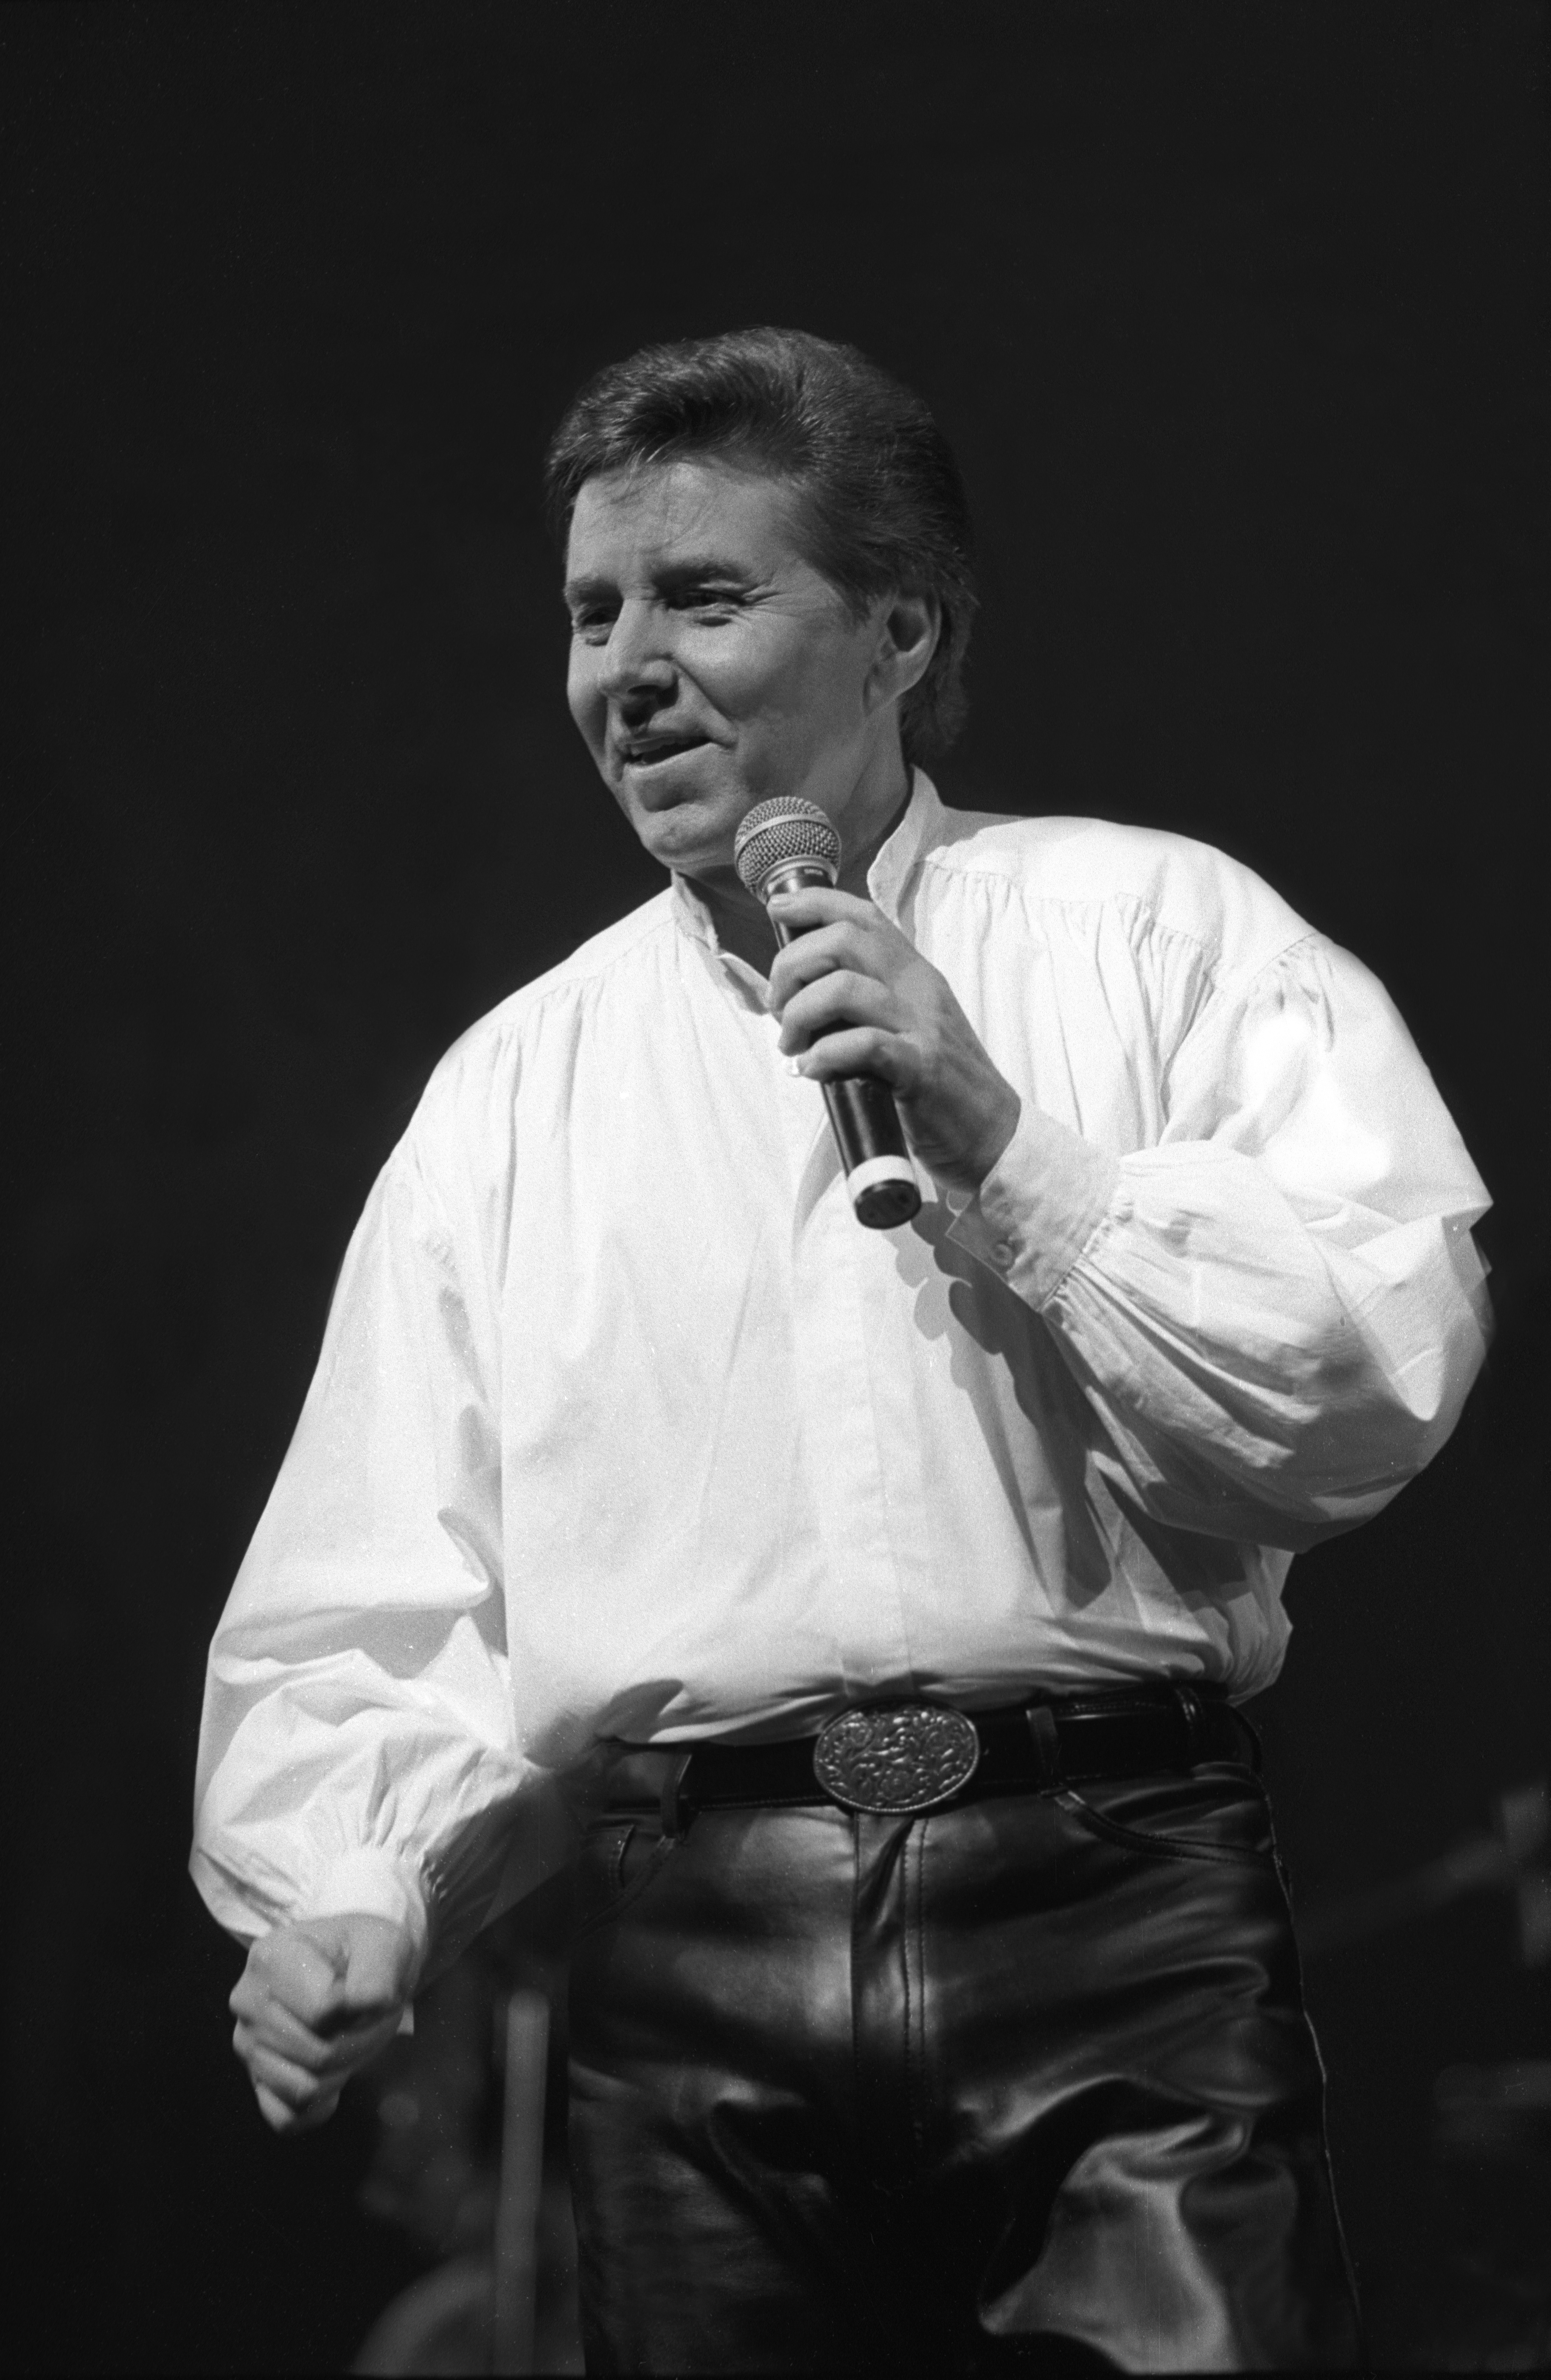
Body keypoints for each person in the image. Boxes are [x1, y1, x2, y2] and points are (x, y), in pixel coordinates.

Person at [194, 326, 1491, 2373]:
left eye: (704, 596)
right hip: (687, 1949)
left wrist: (1009, 1146)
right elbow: (388, 1571)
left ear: (899, 625)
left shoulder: (1154, 932)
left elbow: (1364, 1375)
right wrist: (356, 1888)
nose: (626, 663)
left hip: (1112, 1910)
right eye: (590, 610)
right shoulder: (513, 1087)